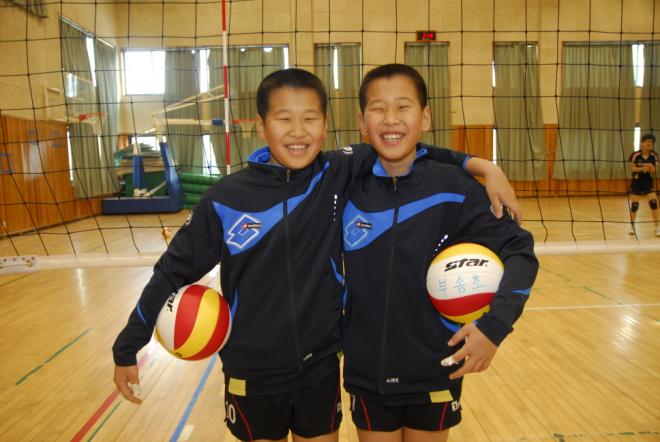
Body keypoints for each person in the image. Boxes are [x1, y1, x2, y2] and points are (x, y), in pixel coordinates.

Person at [112, 68, 520, 442]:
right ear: (261, 126)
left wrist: (481, 165)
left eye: (310, 118)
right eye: (283, 119)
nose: (298, 131)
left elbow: (407, 146)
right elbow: (171, 271)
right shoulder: (225, 200)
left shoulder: (336, 171)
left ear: (325, 125)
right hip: (252, 372)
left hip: (321, 368)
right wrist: (128, 346)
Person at [341, 64, 539, 442]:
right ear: (362, 122)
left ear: (426, 117)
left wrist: (494, 328)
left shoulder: (454, 188)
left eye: (404, 107)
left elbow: (520, 251)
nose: (391, 118)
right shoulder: (347, 183)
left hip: (436, 366)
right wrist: (478, 161)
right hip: (367, 369)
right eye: (378, 109)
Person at [628, 133, 659, 236]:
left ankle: (657, 227)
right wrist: (644, 168)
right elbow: (632, 168)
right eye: (647, 142)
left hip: (648, 182)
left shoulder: (654, 155)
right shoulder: (635, 155)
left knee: (654, 203)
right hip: (637, 182)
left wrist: (651, 168)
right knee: (634, 206)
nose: (649, 143)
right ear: (642, 143)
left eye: (651, 142)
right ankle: (632, 227)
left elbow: (654, 170)